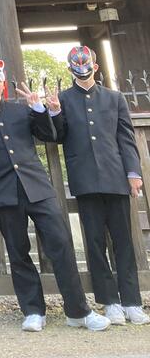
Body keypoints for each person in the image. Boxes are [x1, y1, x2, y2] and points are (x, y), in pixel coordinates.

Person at [0, 59, 110, 332]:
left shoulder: (21, 111)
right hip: (3, 191)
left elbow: (49, 134)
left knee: (61, 244)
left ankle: (78, 311)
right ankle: (32, 310)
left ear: (3, 85)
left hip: (37, 187)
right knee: (18, 252)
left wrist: (42, 109)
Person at [53, 46, 150, 325]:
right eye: (76, 65)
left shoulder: (114, 97)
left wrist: (133, 172)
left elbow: (126, 138)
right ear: (70, 69)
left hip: (116, 177)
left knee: (124, 242)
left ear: (95, 67)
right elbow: (58, 135)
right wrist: (55, 113)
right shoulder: (63, 99)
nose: (82, 69)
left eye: (87, 65)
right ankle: (109, 302)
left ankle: (132, 301)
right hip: (85, 179)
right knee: (95, 244)